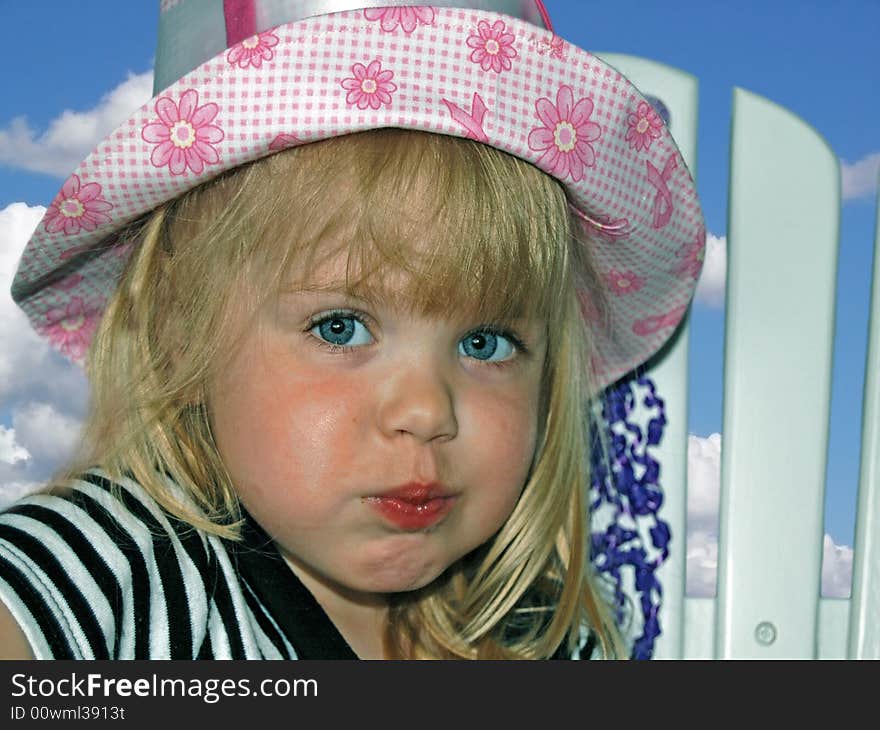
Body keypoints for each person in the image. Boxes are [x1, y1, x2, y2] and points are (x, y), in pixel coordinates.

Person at [0, 0, 704, 659]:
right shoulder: (100, 581)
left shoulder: (543, 642)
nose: (426, 411)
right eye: (340, 327)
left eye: (485, 342)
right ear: (179, 326)